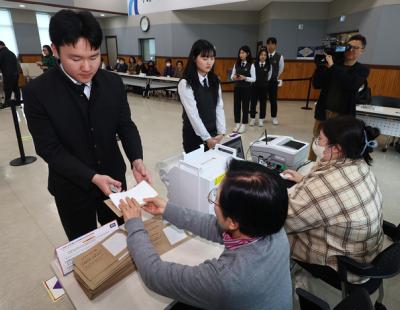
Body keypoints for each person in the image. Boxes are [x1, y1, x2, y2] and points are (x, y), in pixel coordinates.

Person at [23, 10, 151, 241]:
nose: (86, 67)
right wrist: (92, 177)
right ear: (55, 50)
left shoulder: (112, 83)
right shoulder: (37, 93)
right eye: (75, 58)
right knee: (84, 247)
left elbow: (125, 125)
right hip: (71, 187)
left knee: (123, 238)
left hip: (114, 181)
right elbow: (49, 149)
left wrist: (136, 158)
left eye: (94, 57)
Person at [119, 159, 292, 310]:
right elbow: (216, 227)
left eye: (215, 198)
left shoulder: (226, 281)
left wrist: (134, 224)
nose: (214, 203)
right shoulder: (272, 227)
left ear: (233, 222)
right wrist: (167, 209)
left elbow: (154, 275)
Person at [282, 116, 383, 286]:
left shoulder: (323, 186)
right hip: (368, 256)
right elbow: (333, 195)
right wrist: (303, 180)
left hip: (346, 267)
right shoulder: (359, 163)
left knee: (270, 235)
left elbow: (283, 221)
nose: (316, 143)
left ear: (336, 149)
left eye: (320, 139)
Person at [309, 34, 369, 160]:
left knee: (337, 145)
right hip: (324, 111)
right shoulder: (334, 64)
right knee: (317, 141)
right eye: (349, 47)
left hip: (343, 115)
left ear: (362, 50)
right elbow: (317, 84)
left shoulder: (362, 69)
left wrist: (333, 66)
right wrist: (320, 67)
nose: (351, 50)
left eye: (355, 48)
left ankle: (329, 169)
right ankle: (310, 165)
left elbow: (350, 84)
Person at [178, 39, 226, 153]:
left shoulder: (215, 80)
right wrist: (206, 138)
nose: (209, 62)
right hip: (194, 137)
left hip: (213, 135)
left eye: (212, 58)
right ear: (194, 58)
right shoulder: (185, 83)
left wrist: (221, 132)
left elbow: (219, 106)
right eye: (204, 58)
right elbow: (193, 114)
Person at [230, 45, 255, 134]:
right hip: (237, 88)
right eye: (240, 52)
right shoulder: (236, 63)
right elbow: (231, 76)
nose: (241, 54)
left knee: (245, 107)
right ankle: (237, 124)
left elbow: (254, 78)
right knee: (236, 106)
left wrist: (245, 78)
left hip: (246, 89)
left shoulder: (251, 65)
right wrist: (234, 77)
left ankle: (244, 124)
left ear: (247, 54)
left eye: (243, 53)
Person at [250, 47, 271, 127]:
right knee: (253, 103)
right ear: (259, 55)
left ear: (266, 56)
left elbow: (269, 76)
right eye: (261, 54)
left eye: (265, 55)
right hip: (254, 87)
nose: (263, 56)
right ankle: (252, 118)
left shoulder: (269, 65)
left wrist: (264, 82)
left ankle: (261, 119)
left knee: (263, 104)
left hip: (264, 87)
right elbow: (251, 75)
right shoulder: (254, 65)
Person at [266, 37, 284, 125]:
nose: (270, 46)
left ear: (275, 45)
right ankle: (261, 117)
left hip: (273, 81)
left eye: (272, 44)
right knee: (262, 100)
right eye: (268, 44)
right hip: (263, 82)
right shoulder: (263, 55)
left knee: (273, 100)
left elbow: (281, 69)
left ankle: (274, 117)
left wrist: (275, 76)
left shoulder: (279, 56)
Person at [0, 41, 21, 107]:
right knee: (16, 88)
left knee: (7, 89)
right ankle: (18, 102)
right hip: (15, 73)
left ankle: (7, 103)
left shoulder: (1, 53)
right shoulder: (12, 53)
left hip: (8, 74)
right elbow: (17, 64)